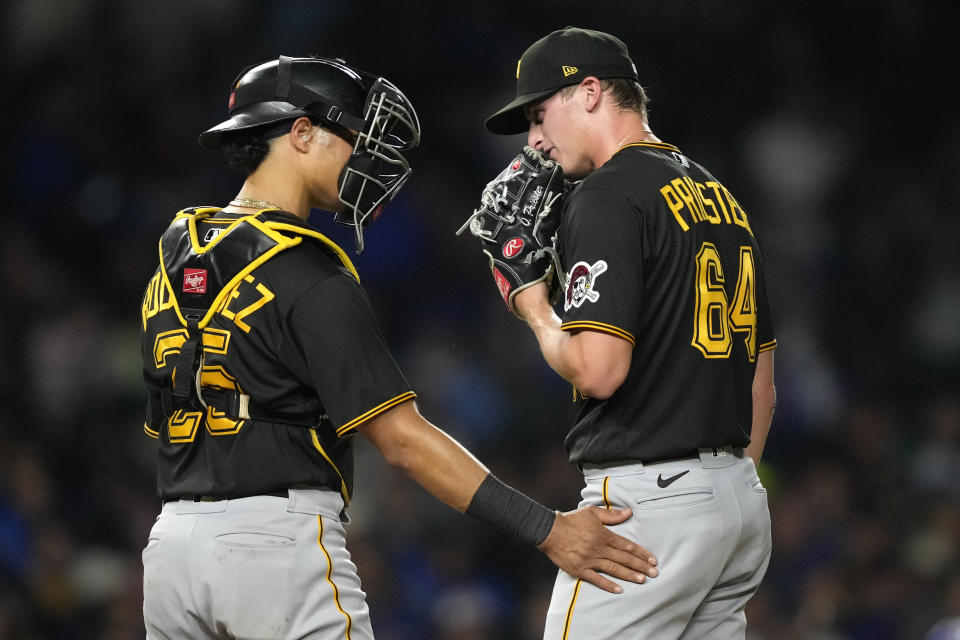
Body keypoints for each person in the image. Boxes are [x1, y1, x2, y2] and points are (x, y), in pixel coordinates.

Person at [138, 55, 659, 640]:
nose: (367, 157)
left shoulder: (175, 249)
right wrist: (550, 529)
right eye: (354, 137)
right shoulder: (307, 270)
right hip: (272, 549)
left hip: (171, 552)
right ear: (301, 134)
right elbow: (403, 441)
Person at [482, 27, 777, 638]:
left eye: (539, 113)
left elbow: (598, 369)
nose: (534, 139)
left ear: (589, 92)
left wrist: (534, 307)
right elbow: (762, 380)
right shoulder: (718, 194)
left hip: (653, 504)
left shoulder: (608, 193)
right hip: (739, 501)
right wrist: (722, 488)